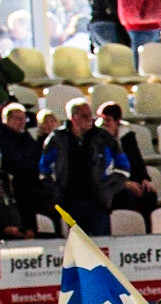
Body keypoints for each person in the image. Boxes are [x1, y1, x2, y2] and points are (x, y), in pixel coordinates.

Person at [40, 97, 127, 236]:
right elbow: (44, 169)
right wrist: (56, 192)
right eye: (84, 115)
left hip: (98, 203)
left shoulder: (104, 137)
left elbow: (123, 167)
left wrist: (108, 190)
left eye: (90, 114)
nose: (90, 119)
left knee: (101, 248)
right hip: (69, 204)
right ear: (73, 118)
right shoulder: (57, 139)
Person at [0, 103, 44, 235]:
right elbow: (11, 162)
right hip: (15, 185)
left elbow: (38, 155)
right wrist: (34, 168)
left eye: (24, 119)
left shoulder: (25, 137)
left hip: (32, 181)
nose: (22, 122)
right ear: (7, 119)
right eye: (18, 119)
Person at [96, 102, 158, 222]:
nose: (104, 124)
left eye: (108, 120)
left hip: (127, 179)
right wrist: (125, 183)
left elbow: (136, 160)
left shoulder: (127, 137)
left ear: (117, 122)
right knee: (125, 196)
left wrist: (144, 179)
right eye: (102, 120)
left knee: (149, 194)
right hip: (107, 184)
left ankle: (146, 229)